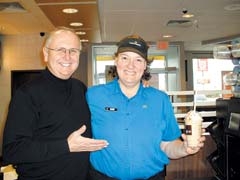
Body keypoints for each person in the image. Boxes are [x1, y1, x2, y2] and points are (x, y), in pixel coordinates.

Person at [86, 34, 206, 180]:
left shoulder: (160, 99)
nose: (131, 65)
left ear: (144, 66)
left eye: (138, 60)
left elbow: (167, 145)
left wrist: (184, 148)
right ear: (116, 60)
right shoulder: (93, 95)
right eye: (125, 58)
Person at [2, 27, 108, 180]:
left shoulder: (80, 88)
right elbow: (12, 151)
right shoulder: (27, 94)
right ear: (45, 54)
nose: (67, 57)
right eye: (60, 50)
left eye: (73, 51)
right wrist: (66, 145)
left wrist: (136, 88)